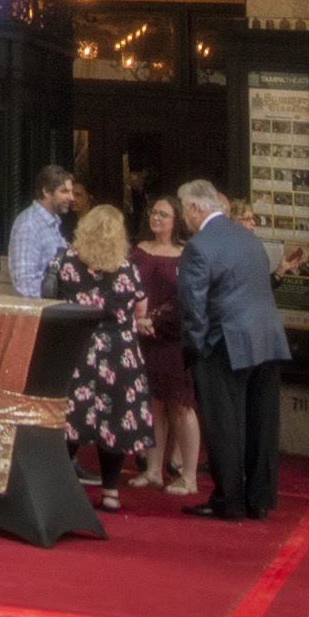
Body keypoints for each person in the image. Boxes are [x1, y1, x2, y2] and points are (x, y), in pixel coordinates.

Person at [174, 178, 287, 522]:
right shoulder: (247, 237)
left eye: (183, 209)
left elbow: (192, 304)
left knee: (225, 423)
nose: (183, 217)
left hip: (224, 341)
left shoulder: (199, 246)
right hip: (267, 338)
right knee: (261, 422)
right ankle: (259, 497)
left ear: (195, 208)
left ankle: (230, 499)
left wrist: (194, 346)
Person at [54, 204, 157, 512]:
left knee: (71, 417)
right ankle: (110, 491)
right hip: (118, 351)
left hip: (79, 346)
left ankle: (60, 484)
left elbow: (55, 296)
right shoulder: (126, 268)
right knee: (115, 420)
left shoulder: (67, 261)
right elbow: (141, 309)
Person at [129, 197, 201, 498]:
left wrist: (153, 318)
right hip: (142, 336)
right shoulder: (138, 251)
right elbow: (128, 287)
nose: (156, 218)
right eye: (153, 212)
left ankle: (189, 475)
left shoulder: (186, 255)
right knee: (153, 404)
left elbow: (186, 296)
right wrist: (139, 320)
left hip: (172, 337)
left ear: (176, 221)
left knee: (181, 406)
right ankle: (153, 470)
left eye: (163, 214)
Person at [6, 165, 78, 299]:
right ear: (46, 192)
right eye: (64, 191)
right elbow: (25, 284)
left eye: (71, 191)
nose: (71, 197)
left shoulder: (52, 222)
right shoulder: (29, 225)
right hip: (43, 313)